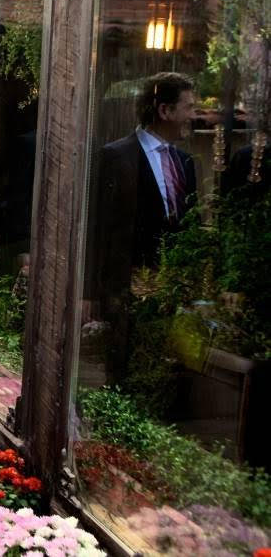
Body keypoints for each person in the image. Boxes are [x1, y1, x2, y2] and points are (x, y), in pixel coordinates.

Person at [92, 71, 197, 384]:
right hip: (126, 289)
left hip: (172, 290)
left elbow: (188, 226)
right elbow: (100, 228)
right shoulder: (116, 156)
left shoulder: (185, 161)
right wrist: (92, 294)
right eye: (189, 107)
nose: (195, 115)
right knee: (124, 373)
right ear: (165, 110)